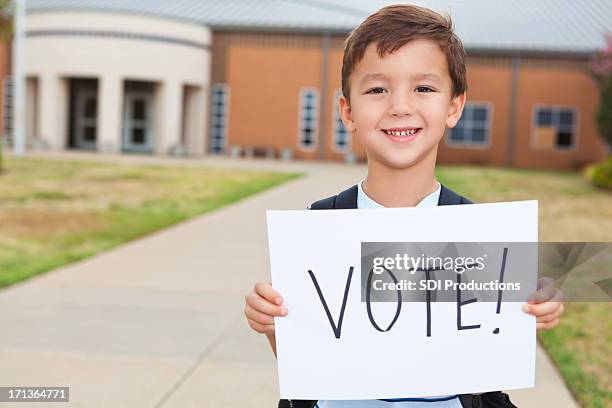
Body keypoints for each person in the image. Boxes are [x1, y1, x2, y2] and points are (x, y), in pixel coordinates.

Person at [244, 4, 564, 408]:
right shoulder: (319, 227)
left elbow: (486, 366)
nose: (399, 106)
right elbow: (310, 360)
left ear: (454, 107)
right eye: (377, 89)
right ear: (348, 111)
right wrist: (274, 326)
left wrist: (530, 313)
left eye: (424, 88)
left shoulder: (478, 233)